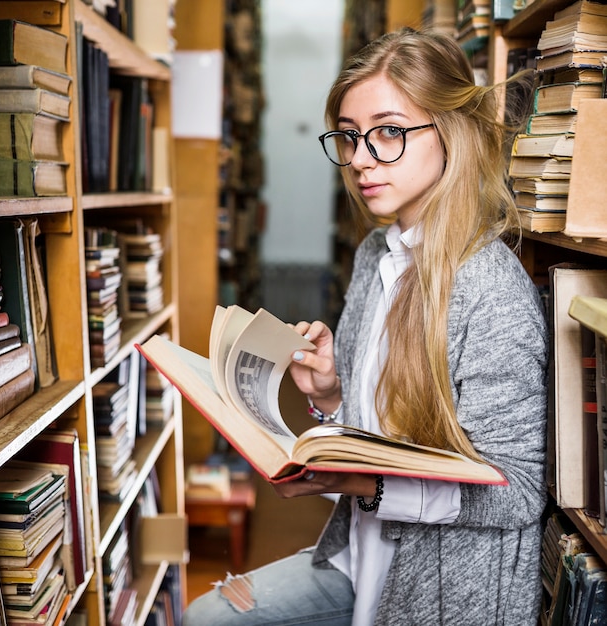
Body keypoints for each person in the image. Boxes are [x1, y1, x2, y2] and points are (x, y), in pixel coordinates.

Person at [184, 27, 548, 626]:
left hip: (436, 587)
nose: (358, 159)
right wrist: (329, 395)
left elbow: (519, 490)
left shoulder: (489, 288)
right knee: (206, 617)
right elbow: (369, 435)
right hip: (360, 554)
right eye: (350, 137)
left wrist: (363, 487)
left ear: (449, 132)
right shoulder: (376, 254)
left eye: (388, 133)